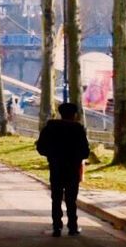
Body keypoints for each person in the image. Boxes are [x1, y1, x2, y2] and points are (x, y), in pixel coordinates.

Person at [36, 101, 91, 237]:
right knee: (71, 199)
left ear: (60, 113)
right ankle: (73, 226)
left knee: (56, 197)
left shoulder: (50, 127)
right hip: (72, 168)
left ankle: (56, 227)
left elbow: (40, 147)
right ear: (74, 115)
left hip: (56, 167)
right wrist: (77, 156)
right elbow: (85, 151)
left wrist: (52, 155)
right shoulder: (78, 129)